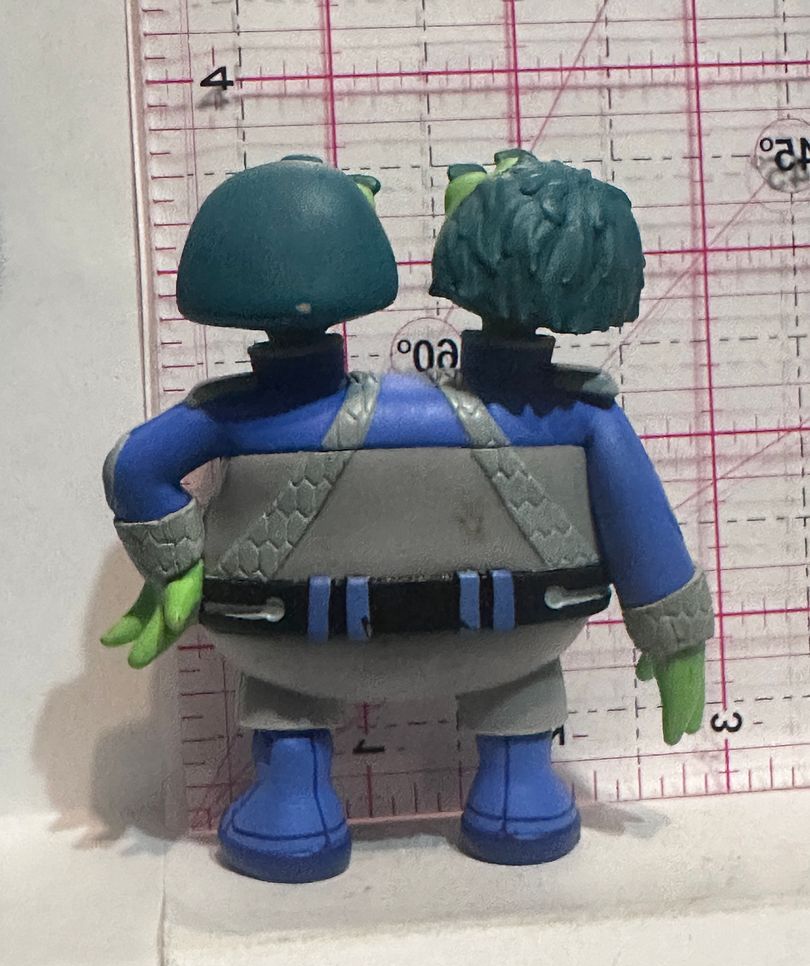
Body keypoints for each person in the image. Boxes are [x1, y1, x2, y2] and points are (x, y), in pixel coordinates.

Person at [102, 151, 712, 883]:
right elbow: (637, 520)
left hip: (288, 638)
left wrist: (176, 563)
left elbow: (134, 468)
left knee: (287, 707)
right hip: (515, 634)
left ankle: (293, 809)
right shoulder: (581, 417)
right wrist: (674, 635)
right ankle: (518, 799)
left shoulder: (234, 416)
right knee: (520, 698)